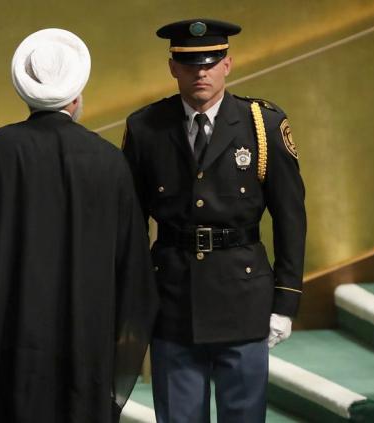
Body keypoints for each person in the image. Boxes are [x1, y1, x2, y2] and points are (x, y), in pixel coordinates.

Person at [0, 28, 158, 423]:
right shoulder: (108, 160)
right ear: (76, 96)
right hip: (81, 338)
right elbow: (130, 264)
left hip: (0, 335)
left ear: (25, 93)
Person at [122, 19, 306, 422]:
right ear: (173, 67)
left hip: (243, 297)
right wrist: (133, 299)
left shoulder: (262, 125)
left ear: (227, 65)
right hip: (173, 299)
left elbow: (290, 216)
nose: (200, 72)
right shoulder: (146, 128)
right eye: (189, 64)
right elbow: (130, 223)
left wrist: (286, 300)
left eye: (210, 62)